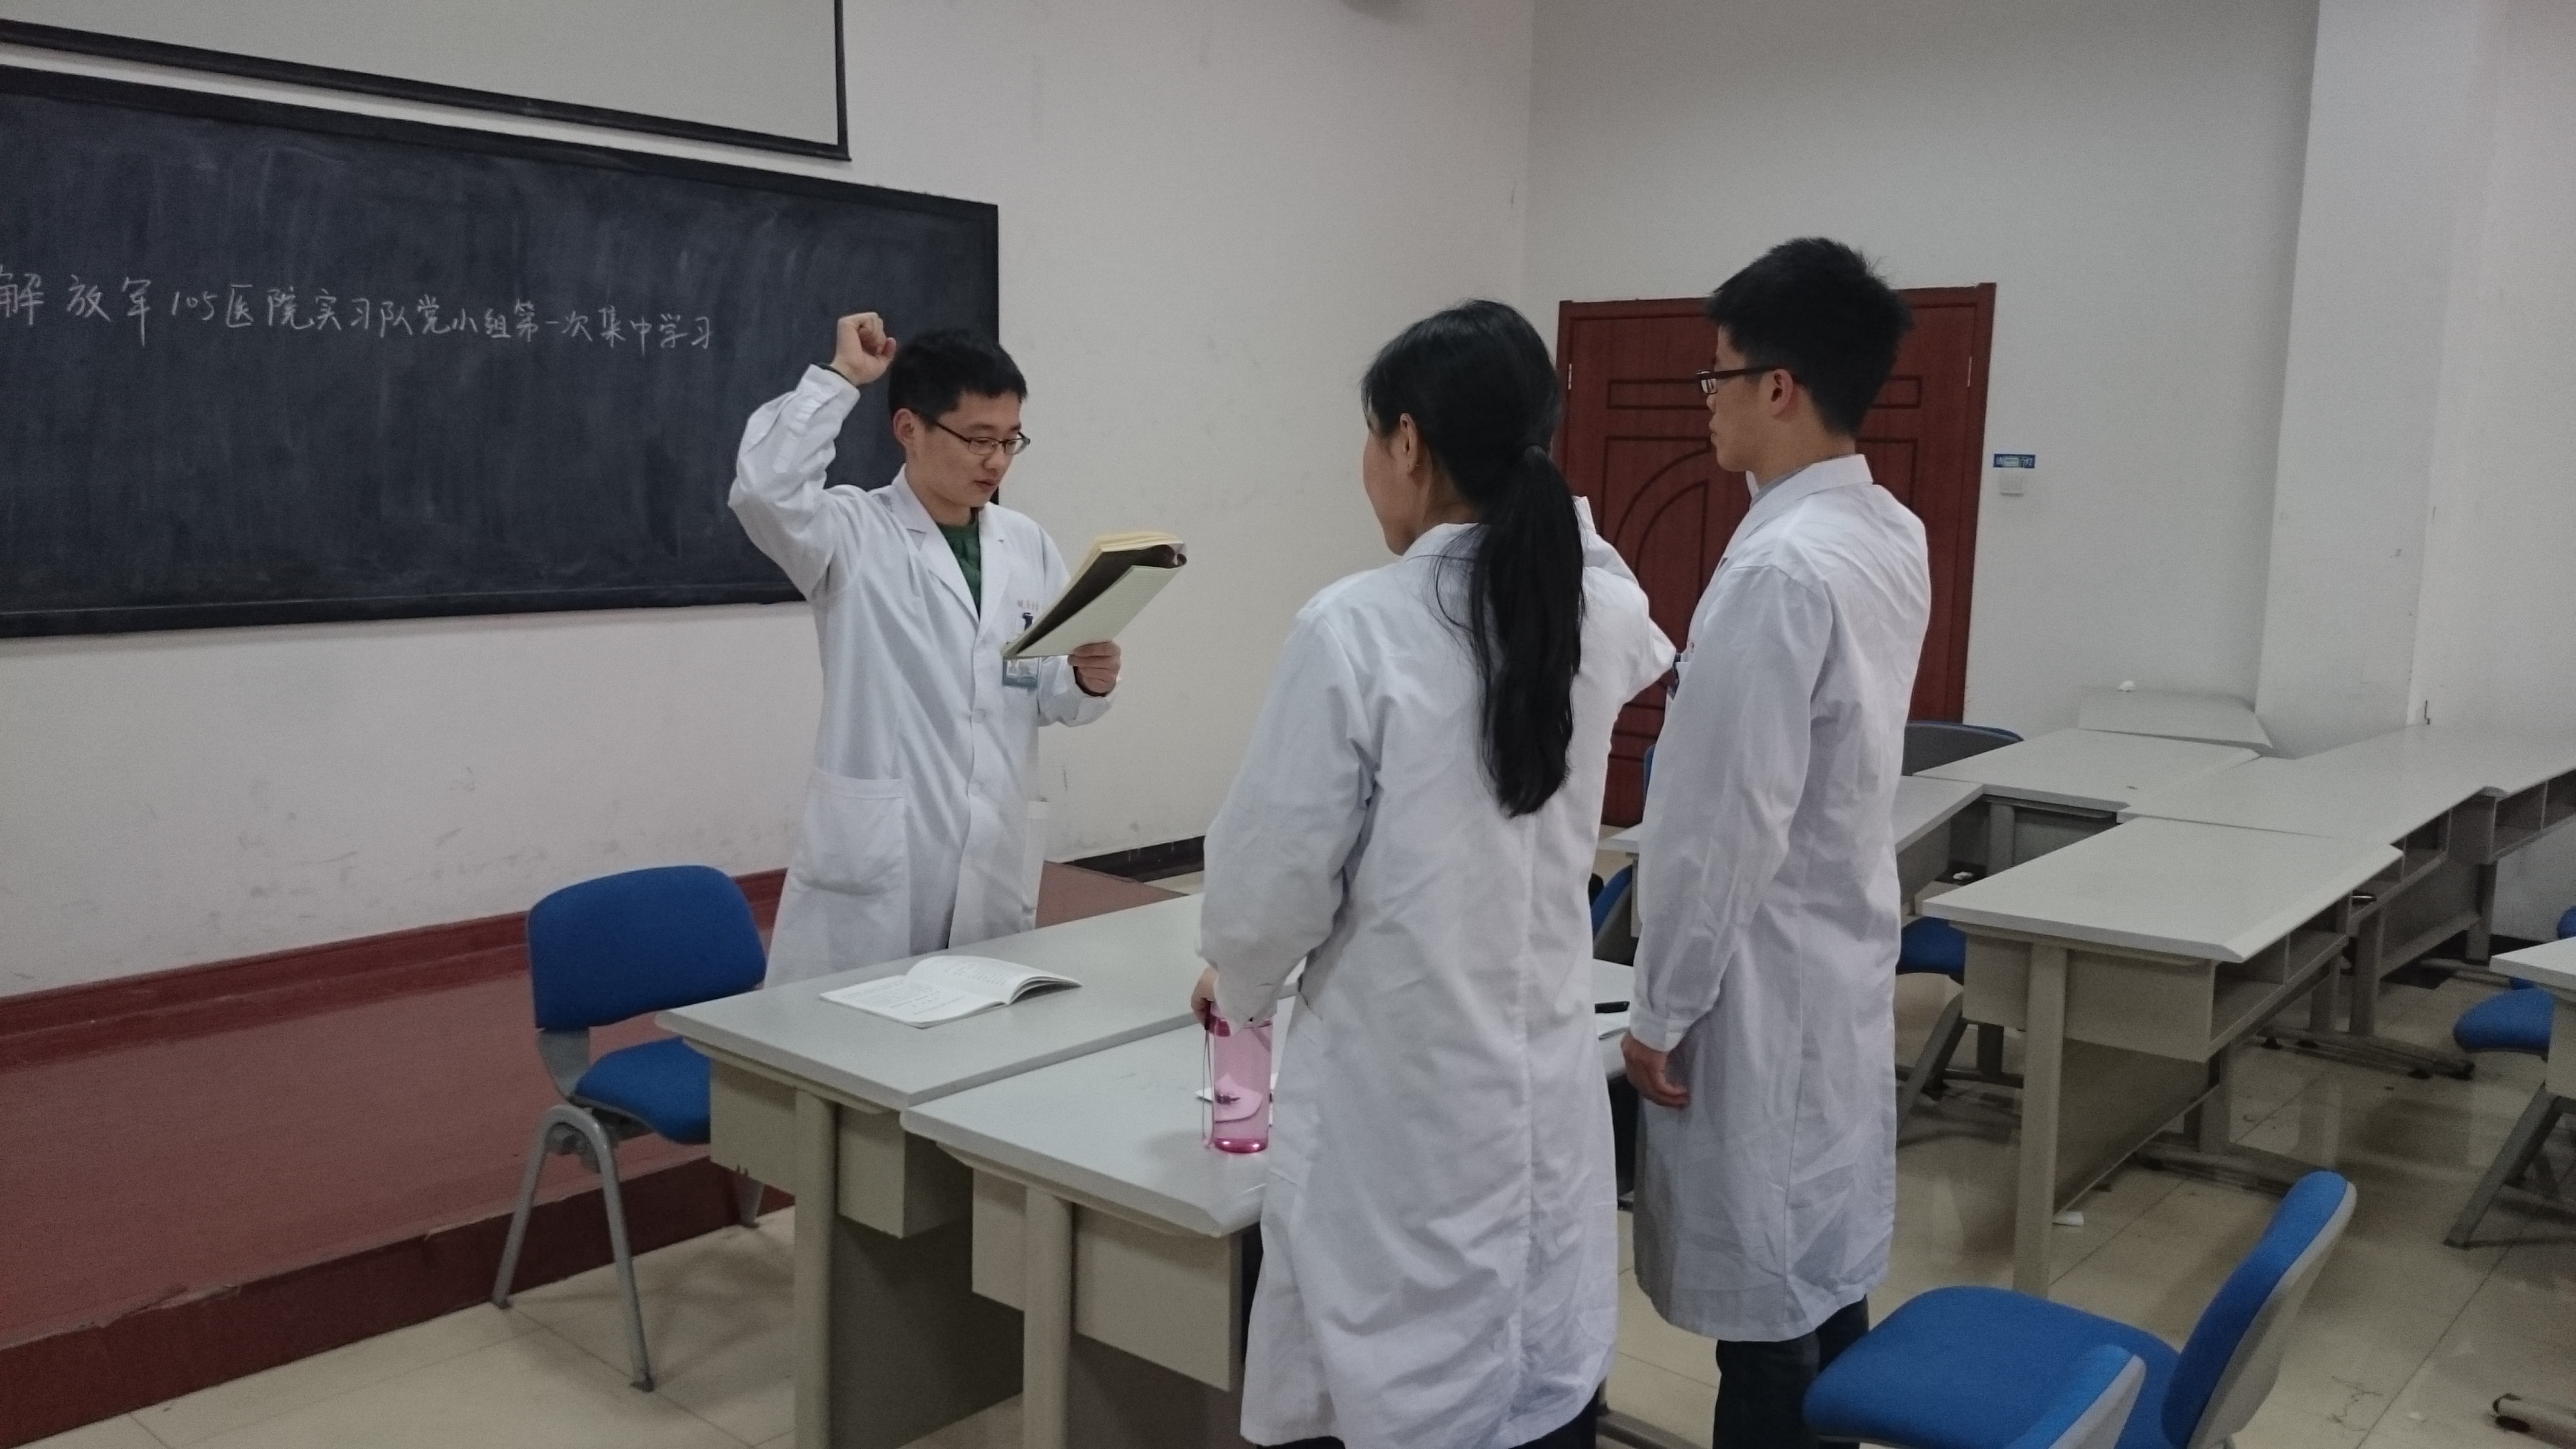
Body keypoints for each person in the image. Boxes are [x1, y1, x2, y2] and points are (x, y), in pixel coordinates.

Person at [1194, 301, 1674, 1449]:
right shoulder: (1598, 610)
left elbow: (1271, 888)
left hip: (1397, 1099)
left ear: (1406, 443)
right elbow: (1605, 574)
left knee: (1397, 1383)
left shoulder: (1356, 627)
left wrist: (1239, 982)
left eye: (1372, 437)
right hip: (1537, 1078)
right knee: (1526, 1361)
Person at [1619, 238, 1930, 1449]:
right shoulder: (1885, 530)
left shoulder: (1779, 572)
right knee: (1821, 1264)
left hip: (1758, 977)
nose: (1709, 401)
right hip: (1833, 947)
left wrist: (1660, 1007)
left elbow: (1721, 826)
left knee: (1769, 1318)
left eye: (1720, 376)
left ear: (1780, 387)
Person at [730, 313, 1120, 985]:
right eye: (977, 439)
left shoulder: (1026, 544)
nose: (996, 461)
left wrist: (1088, 679)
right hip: (881, 856)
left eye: (1010, 440)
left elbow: (1045, 692)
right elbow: (765, 492)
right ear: (909, 428)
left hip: (993, 850)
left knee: (979, 1023)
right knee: (851, 1029)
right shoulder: (851, 532)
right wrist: (840, 379)